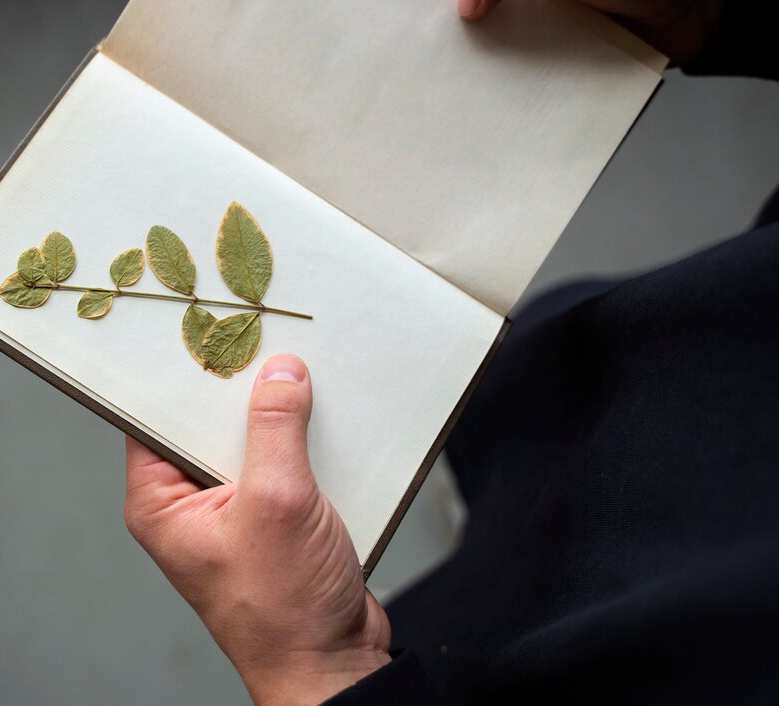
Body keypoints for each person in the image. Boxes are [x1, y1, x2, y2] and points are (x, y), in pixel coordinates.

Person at [124, 1, 779, 703]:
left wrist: (316, 668)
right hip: (686, 370)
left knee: (522, 592)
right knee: (539, 446)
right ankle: (497, 500)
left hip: (605, 645)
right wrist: (711, 15)